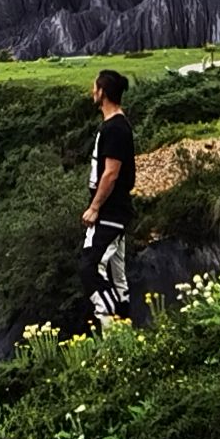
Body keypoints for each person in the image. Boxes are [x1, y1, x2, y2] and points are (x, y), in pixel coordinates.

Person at [81, 69, 140, 328]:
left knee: (89, 268)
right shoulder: (115, 125)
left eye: (95, 87)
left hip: (110, 212)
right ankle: (124, 327)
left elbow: (111, 173)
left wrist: (94, 207)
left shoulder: (115, 128)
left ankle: (110, 320)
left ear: (102, 92)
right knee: (117, 274)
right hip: (116, 212)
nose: (92, 91)